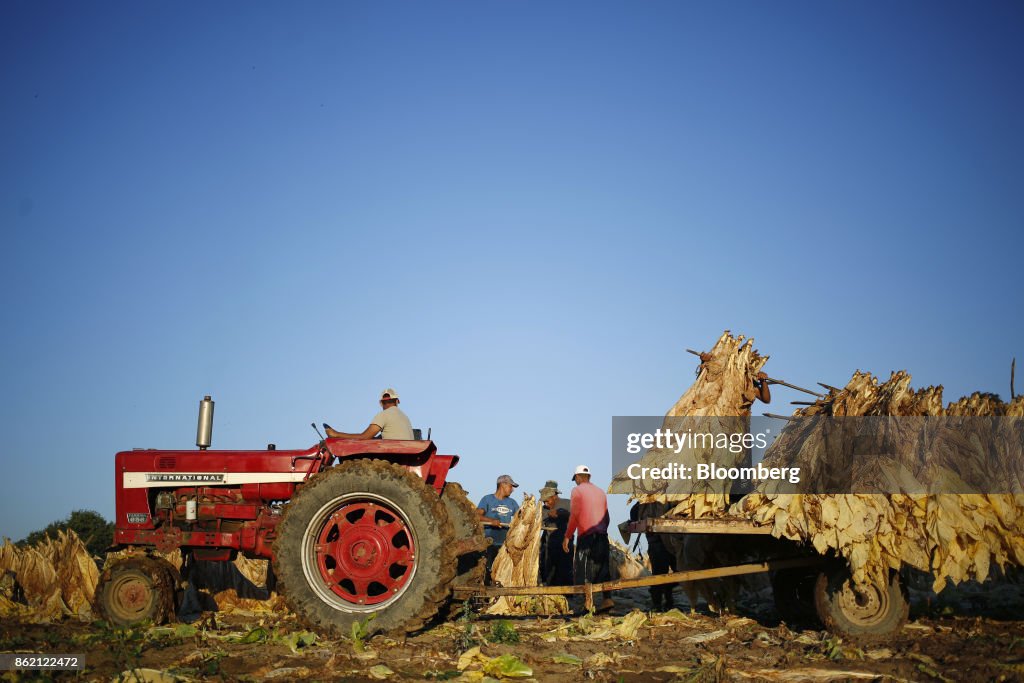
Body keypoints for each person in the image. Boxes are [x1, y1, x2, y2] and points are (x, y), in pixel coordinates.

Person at [562, 465, 614, 612]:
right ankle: (607, 599)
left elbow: (574, 515)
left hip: (586, 535)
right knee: (603, 567)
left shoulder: (577, 490)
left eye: (575, 479)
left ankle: (587, 602)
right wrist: (602, 529)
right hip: (602, 536)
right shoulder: (600, 492)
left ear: (578, 477)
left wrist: (567, 536)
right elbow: (607, 516)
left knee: (583, 569)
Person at [325, 388, 414, 440]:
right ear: (397, 401)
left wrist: (336, 434)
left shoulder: (384, 415)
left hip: (393, 456)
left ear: (381, 403)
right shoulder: (405, 417)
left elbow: (364, 437)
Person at [477, 474, 520, 578]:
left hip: (505, 545)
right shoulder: (487, 499)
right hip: (489, 543)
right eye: (511, 486)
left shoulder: (512, 503)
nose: (512, 490)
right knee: (487, 570)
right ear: (503, 485)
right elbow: (476, 516)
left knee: (503, 572)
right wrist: (491, 520)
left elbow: (521, 518)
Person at [539, 481, 573, 586]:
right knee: (550, 572)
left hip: (565, 544)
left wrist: (561, 514)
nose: (545, 503)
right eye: (544, 501)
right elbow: (538, 523)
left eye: (547, 501)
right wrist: (547, 515)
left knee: (565, 570)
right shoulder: (543, 510)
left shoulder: (568, 503)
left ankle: (568, 596)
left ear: (554, 496)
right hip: (550, 546)